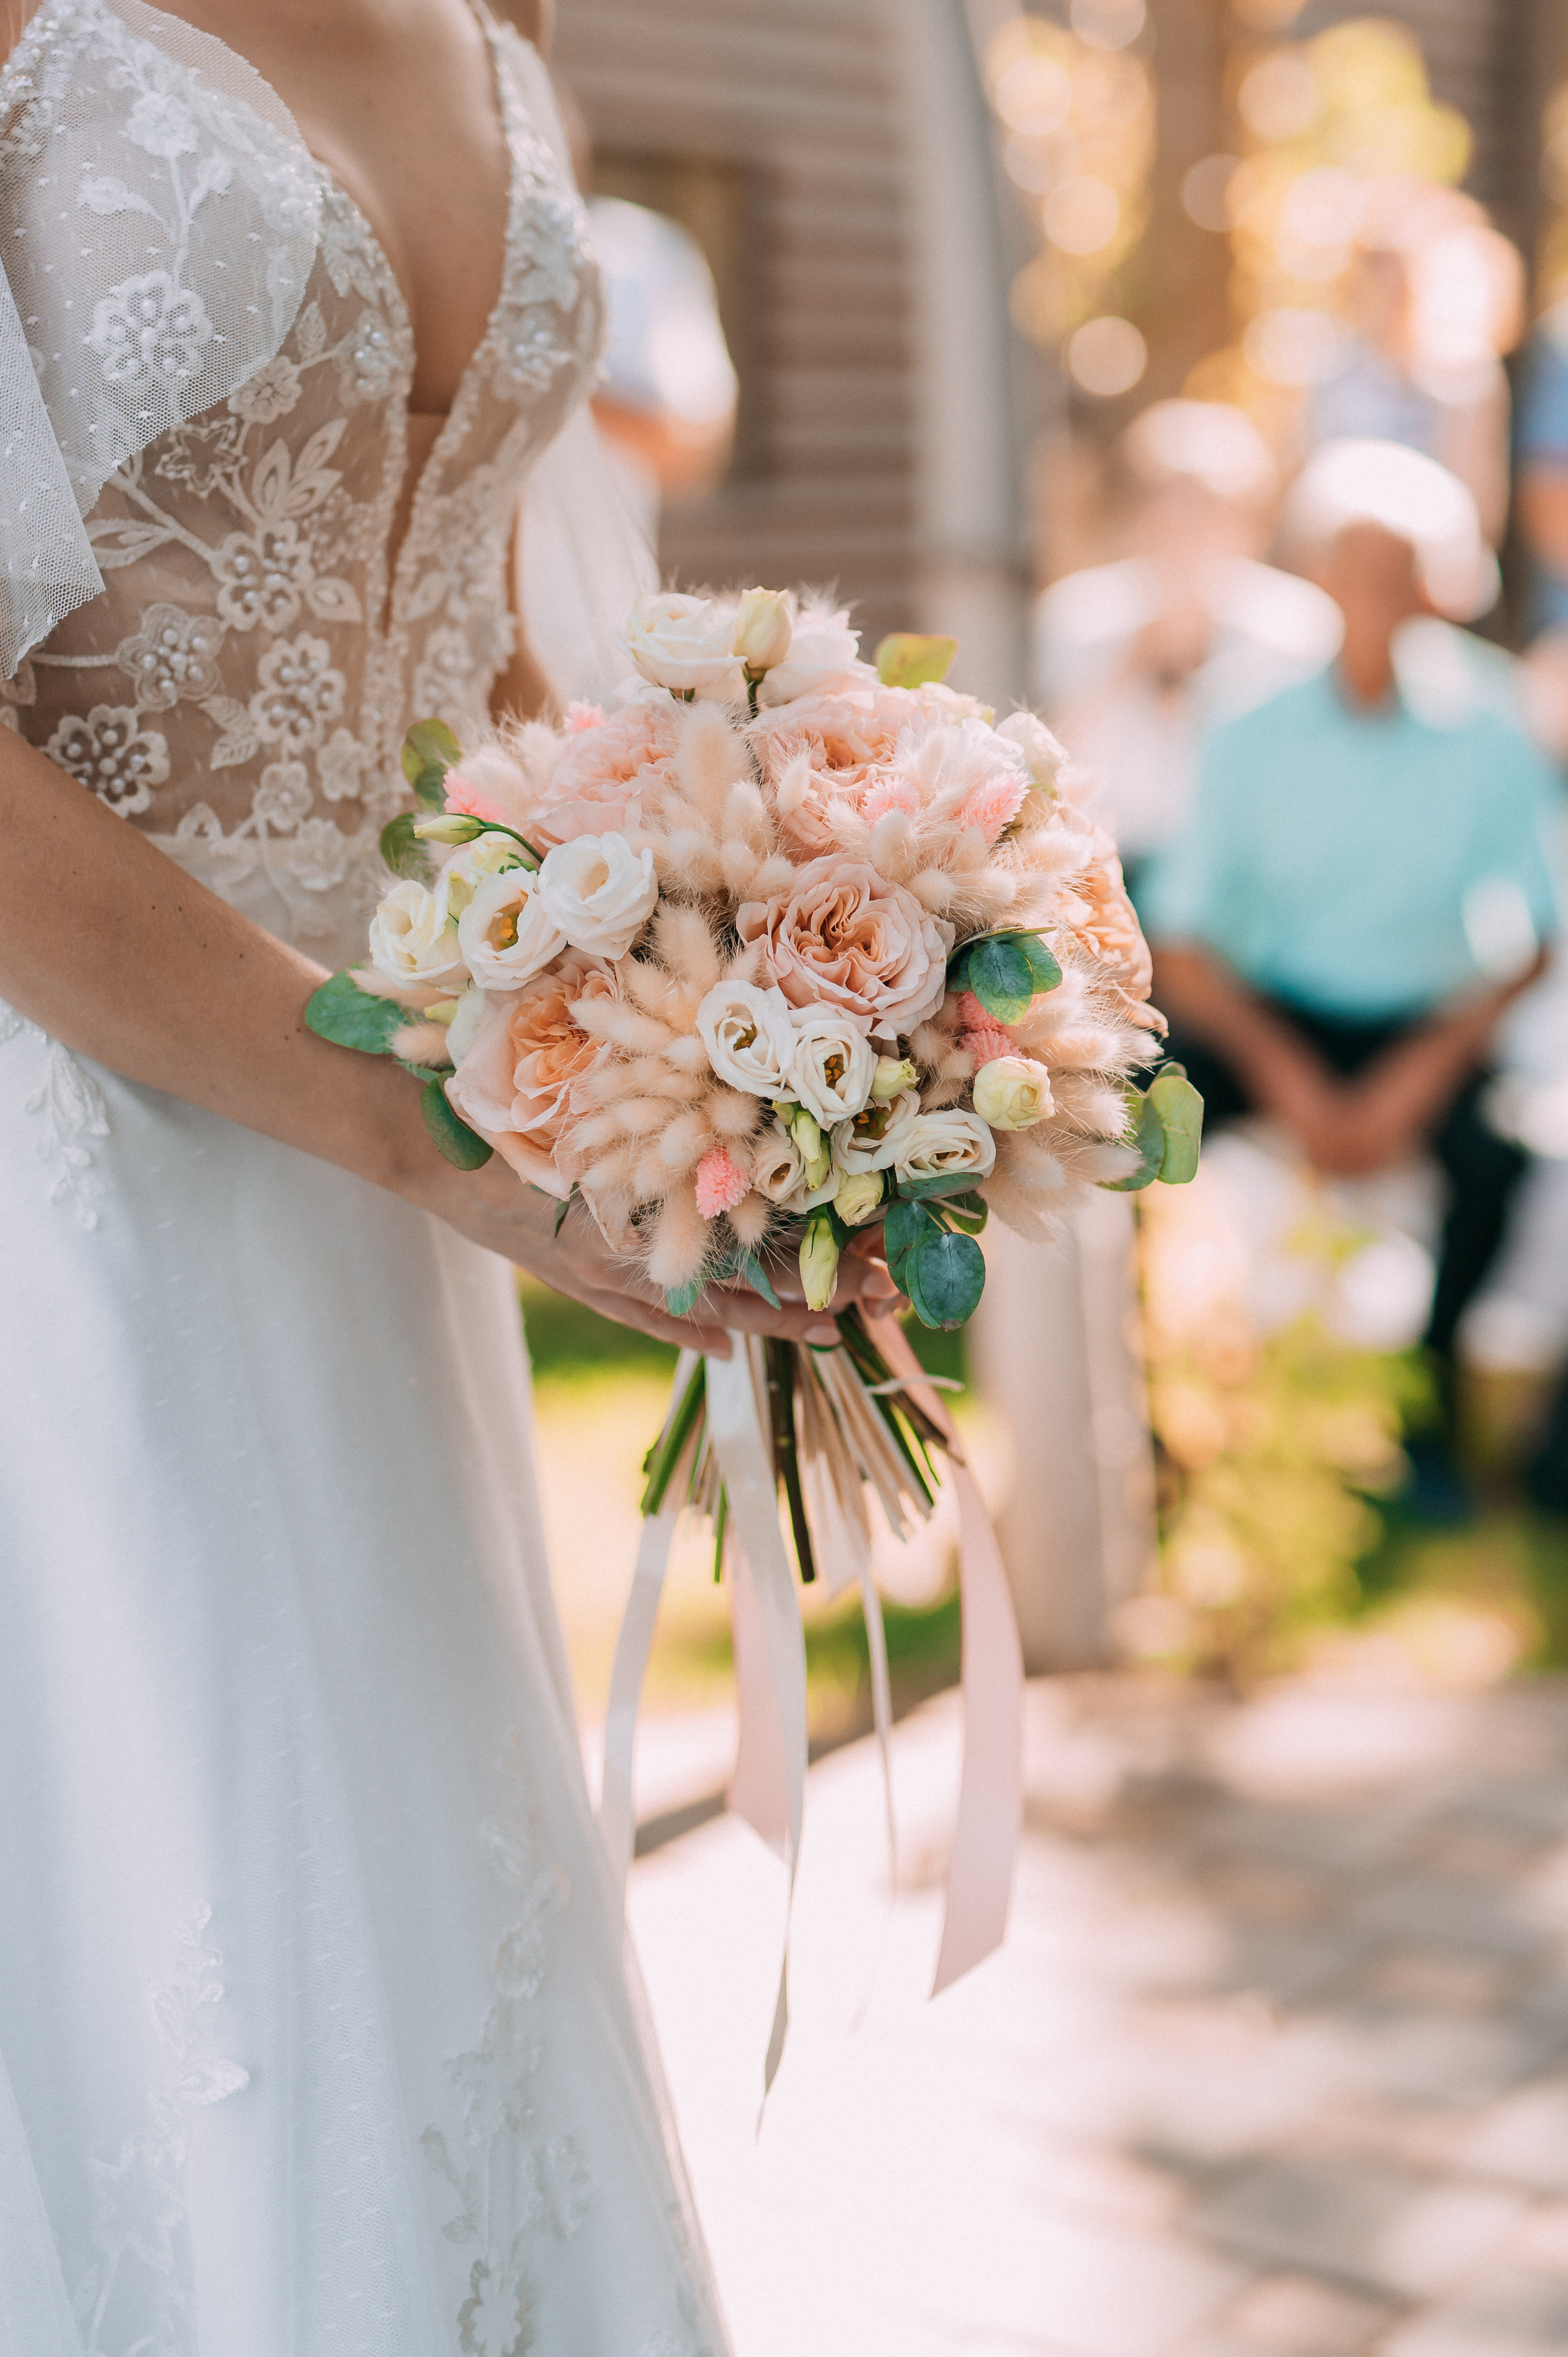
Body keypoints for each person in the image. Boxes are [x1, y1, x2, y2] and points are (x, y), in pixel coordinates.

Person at [0, 0, 889, 2344]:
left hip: (398, 1180)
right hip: (86, 1165)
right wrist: (441, 1123)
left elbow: (468, 657)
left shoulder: (496, 25)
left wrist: (721, 1044)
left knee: (422, 1929)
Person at [1144, 441, 1561, 1497]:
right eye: (1357, 565)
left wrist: (1415, 1075)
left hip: (1424, 1022)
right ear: (1319, 575)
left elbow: (1533, 936)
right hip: (1272, 1016)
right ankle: (1154, 1410)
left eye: (1405, 569)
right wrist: (1290, 1075)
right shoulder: (1245, 720)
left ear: (1446, 586)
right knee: (1133, 1121)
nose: (1379, 594)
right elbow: (1183, 942)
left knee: (1496, 1161)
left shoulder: (1494, 721)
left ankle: (1431, 1417)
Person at [1034, 399, 1340, 906]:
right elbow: (1048, 769)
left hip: (1248, 890)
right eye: (1162, 500)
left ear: (1251, 521)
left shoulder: (1300, 628)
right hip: (1101, 878)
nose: (1181, 522)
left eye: (1205, 504)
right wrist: (1132, 660)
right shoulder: (1079, 615)